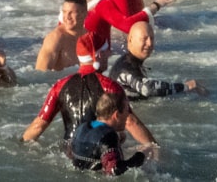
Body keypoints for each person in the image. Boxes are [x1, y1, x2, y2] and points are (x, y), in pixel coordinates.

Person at [22, 32, 155, 148]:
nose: (108, 54)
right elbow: (131, 122)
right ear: (98, 55)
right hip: (101, 152)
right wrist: (156, 148)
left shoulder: (59, 86)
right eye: (105, 51)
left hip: (71, 152)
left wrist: (20, 144)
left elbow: (38, 126)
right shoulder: (110, 86)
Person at [108, 21, 206, 99]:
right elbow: (148, 89)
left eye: (152, 38)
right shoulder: (126, 67)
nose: (150, 43)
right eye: (144, 39)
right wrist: (186, 86)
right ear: (130, 40)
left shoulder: (131, 62)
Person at [70, 91, 147, 175]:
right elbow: (114, 170)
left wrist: (117, 143)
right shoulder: (109, 136)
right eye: (126, 111)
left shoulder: (81, 128)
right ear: (117, 115)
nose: (127, 115)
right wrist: (139, 157)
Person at [36, 0, 88, 71]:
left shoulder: (89, 36)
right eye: (64, 12)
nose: (67, 17)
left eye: (72, 12)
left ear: (84, 14)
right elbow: (40, 74)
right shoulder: (55, 39)